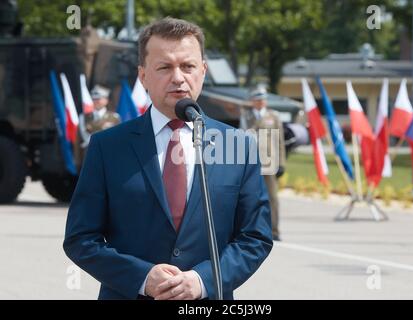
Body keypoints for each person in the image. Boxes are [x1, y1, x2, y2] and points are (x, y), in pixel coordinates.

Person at [63, 17, 272, 300]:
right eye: (164, 67)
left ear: (203, 71)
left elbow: (254, 238)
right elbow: (81, 239)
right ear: (143, 75)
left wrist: (203, 280)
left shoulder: (238, 146)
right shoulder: (107, 147)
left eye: (187, 66)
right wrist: (142, 278)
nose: (178, 77)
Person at [245, 86, 286, 241]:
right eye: (258, 99)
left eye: (263, 99)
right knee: (250, 197)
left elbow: (280, 141)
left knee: (272, 198)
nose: (261, 102)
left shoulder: (273, 116)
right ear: (252, 101)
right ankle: (253, 229)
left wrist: (281, 162)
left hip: (269, 162)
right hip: (250, 162)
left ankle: (275, 230)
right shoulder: (246, 116)